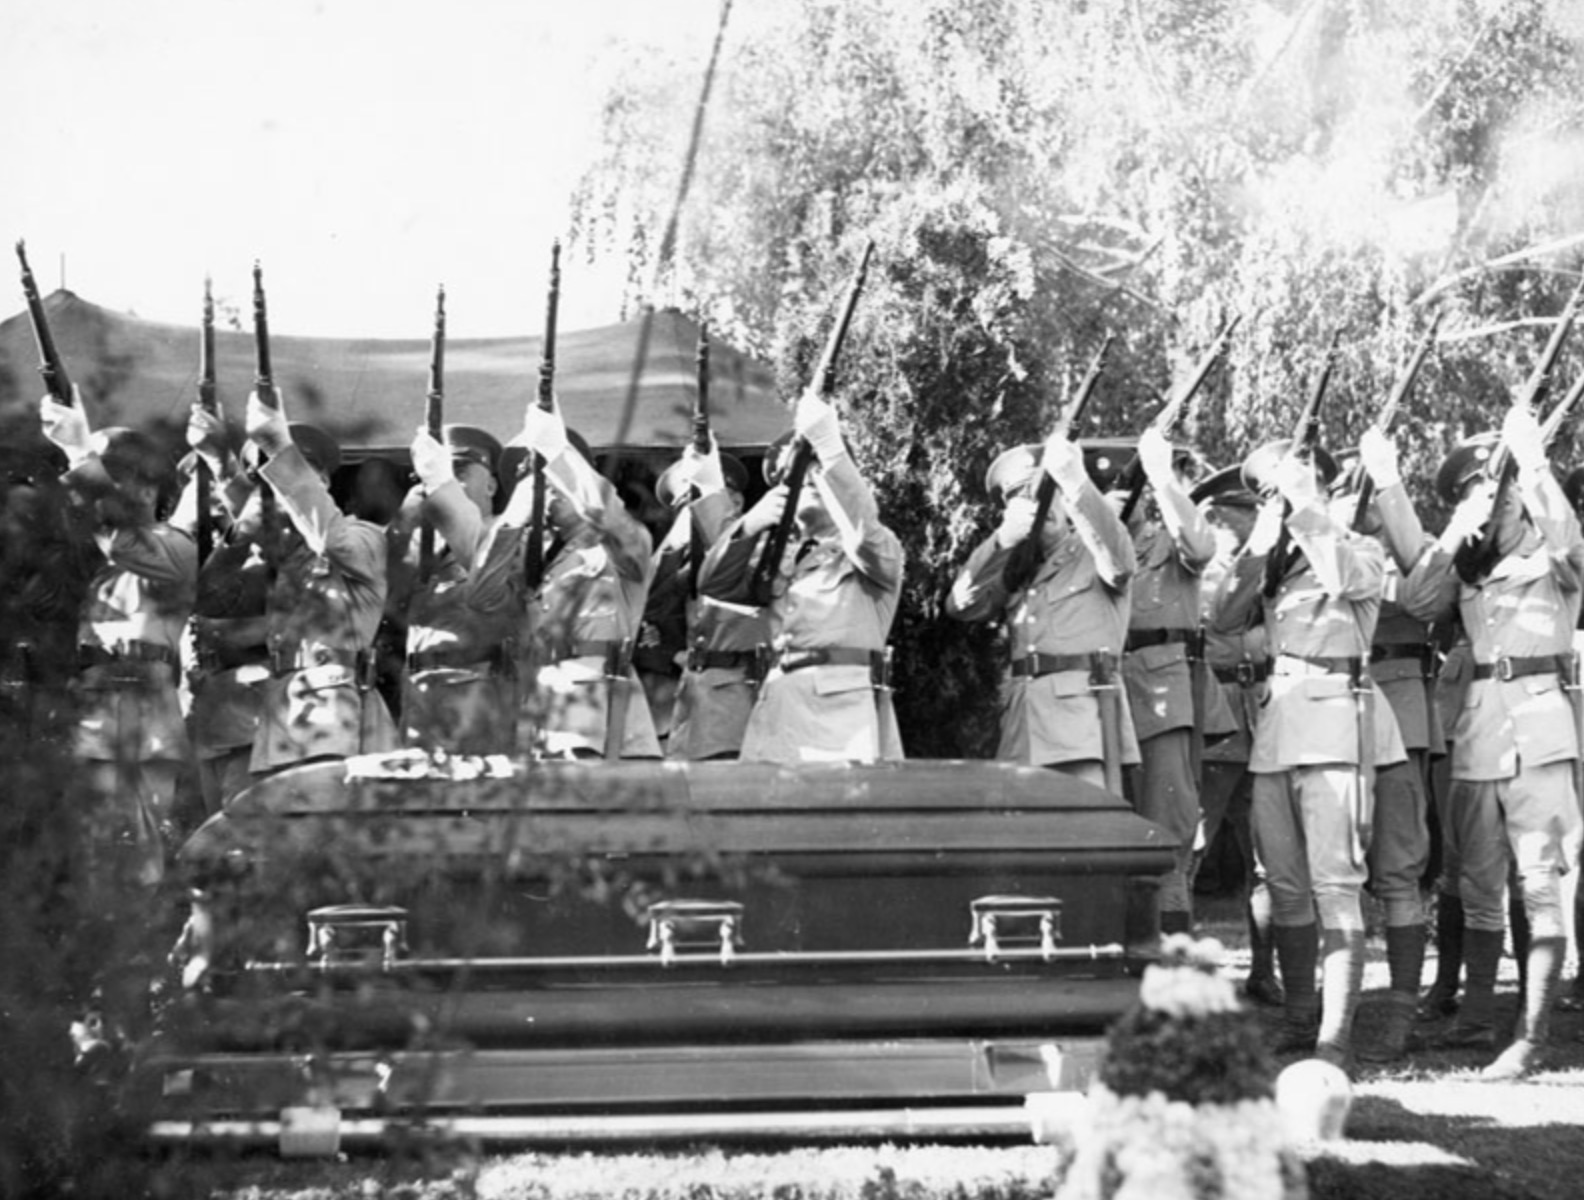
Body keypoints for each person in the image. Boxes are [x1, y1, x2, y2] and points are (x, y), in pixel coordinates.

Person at [1394, 407, 1584, 1078]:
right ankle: (1476, 1021)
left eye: (1498, 491)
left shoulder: (1554, 557)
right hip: (1479, 733)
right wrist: (1452, 531)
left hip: (1538, 733)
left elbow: (1572, 540)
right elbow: (1417, 600)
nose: (1493, 501)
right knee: (1474, 883)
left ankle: (1531, 1037)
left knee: (1539, 884)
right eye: (1484, 492)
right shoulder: (1470, 568)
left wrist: (1533, 463)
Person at [1210, 437, 1405, 1071]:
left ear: (1316, 483)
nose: (1277, 498)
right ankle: (1299, 1016)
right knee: (1285, 885)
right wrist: (1262, 540)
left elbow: (1346, 577)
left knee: (1335, 887)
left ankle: (1335, 1037)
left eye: (1283, 485)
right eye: (1269, 489)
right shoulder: (1278, 561)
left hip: (1334, 726)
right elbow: (1225, 617)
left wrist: (1302, 504)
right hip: (1278, 732)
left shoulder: (1359, 548)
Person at [39, 391, 197, 887]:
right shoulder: (96, 564)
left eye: (119, 478)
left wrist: (79, 455)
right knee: (90, 855)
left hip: (142, 718)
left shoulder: (173, 546)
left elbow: (126, 541)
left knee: (140, 851)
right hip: (92, 714)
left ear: (148, 488)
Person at [696, 390, 903, 763]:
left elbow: (863, 528)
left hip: (843, 716)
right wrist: (749, 524)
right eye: (792, 478)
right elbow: (715, 583)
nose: (807, 482)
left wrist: (829, 450)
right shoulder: (778, 557)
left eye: (815, 474)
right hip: (778, 704)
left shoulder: (872, 551)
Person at [946, 427, 1139, 786]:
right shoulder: (1015, 566)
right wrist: (1002, 540)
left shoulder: (1093, 551)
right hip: (1023, 726)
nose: (1042, 504)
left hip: (1082, 728)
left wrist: (1075, 480)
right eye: (1026, 496)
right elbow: (961, 605)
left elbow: (1121, 563)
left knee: (1085, 833)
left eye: (1051, 491)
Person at [470, 401, 661, 758]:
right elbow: (481, 595)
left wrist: (559, 453)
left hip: (606, 706)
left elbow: (607, 515)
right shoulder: (525, 554)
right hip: (544, 708)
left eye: (556, 480)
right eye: (538, 480)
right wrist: (513, 517)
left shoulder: (616, 548)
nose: (550, 490)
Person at [1341, 429, 1442, 1062]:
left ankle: (1400, 1016)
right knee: (1333, 875)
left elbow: (1428, 595)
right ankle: (1330, 1017)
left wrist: (1388, 486)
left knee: (1399, 871)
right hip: (1327, 714)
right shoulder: (1317, 546)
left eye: (1372, 487)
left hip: (1399, 714)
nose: (1363, 498)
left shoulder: (1416, 549)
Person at [241, 391, 398, 774]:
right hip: (282, 704)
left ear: (324, 480)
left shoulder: (363, 537)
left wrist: (280, 447)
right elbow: (212, 597)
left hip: (330, 705)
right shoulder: (277, 558)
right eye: (268, 480)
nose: (278, 488)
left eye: (289, 476)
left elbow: (333, 541)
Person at [1117, 427, 1226, 934]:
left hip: (1162, 697)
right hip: (1099, 699)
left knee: (1167, 833)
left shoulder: (1170, 540)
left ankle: (1173, 976)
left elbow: (1202, 545)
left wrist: (1161, 477)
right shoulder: (1075, 547)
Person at [1189, 464, 1282, 1007]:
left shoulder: (1268, 569)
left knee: (1268, 856)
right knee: (1195, 845)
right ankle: (1179, 974)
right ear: (1219, 515)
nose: (1257, 522)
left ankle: (1263, 972)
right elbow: (1224, 620)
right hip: (1219, 718)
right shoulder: (1204, 572)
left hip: (1264, 717)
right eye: (1248, 512)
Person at [394, 424, 517, 755]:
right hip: (422, 695)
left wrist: (440, 488)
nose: (445, 484)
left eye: (458, 473)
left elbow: (483, 560)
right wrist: (405, 523)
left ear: (491, 484)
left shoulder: (507, 536)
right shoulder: (419, 548)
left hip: (482, 693)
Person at [650, 437, 768, 760]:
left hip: (738, 691)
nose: (699, 512)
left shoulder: (758, 544)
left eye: (710, 501)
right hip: (691, 694)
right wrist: (677, 537)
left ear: (738, 502)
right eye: (690, 506)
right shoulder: (679, 564)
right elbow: (647, 599)